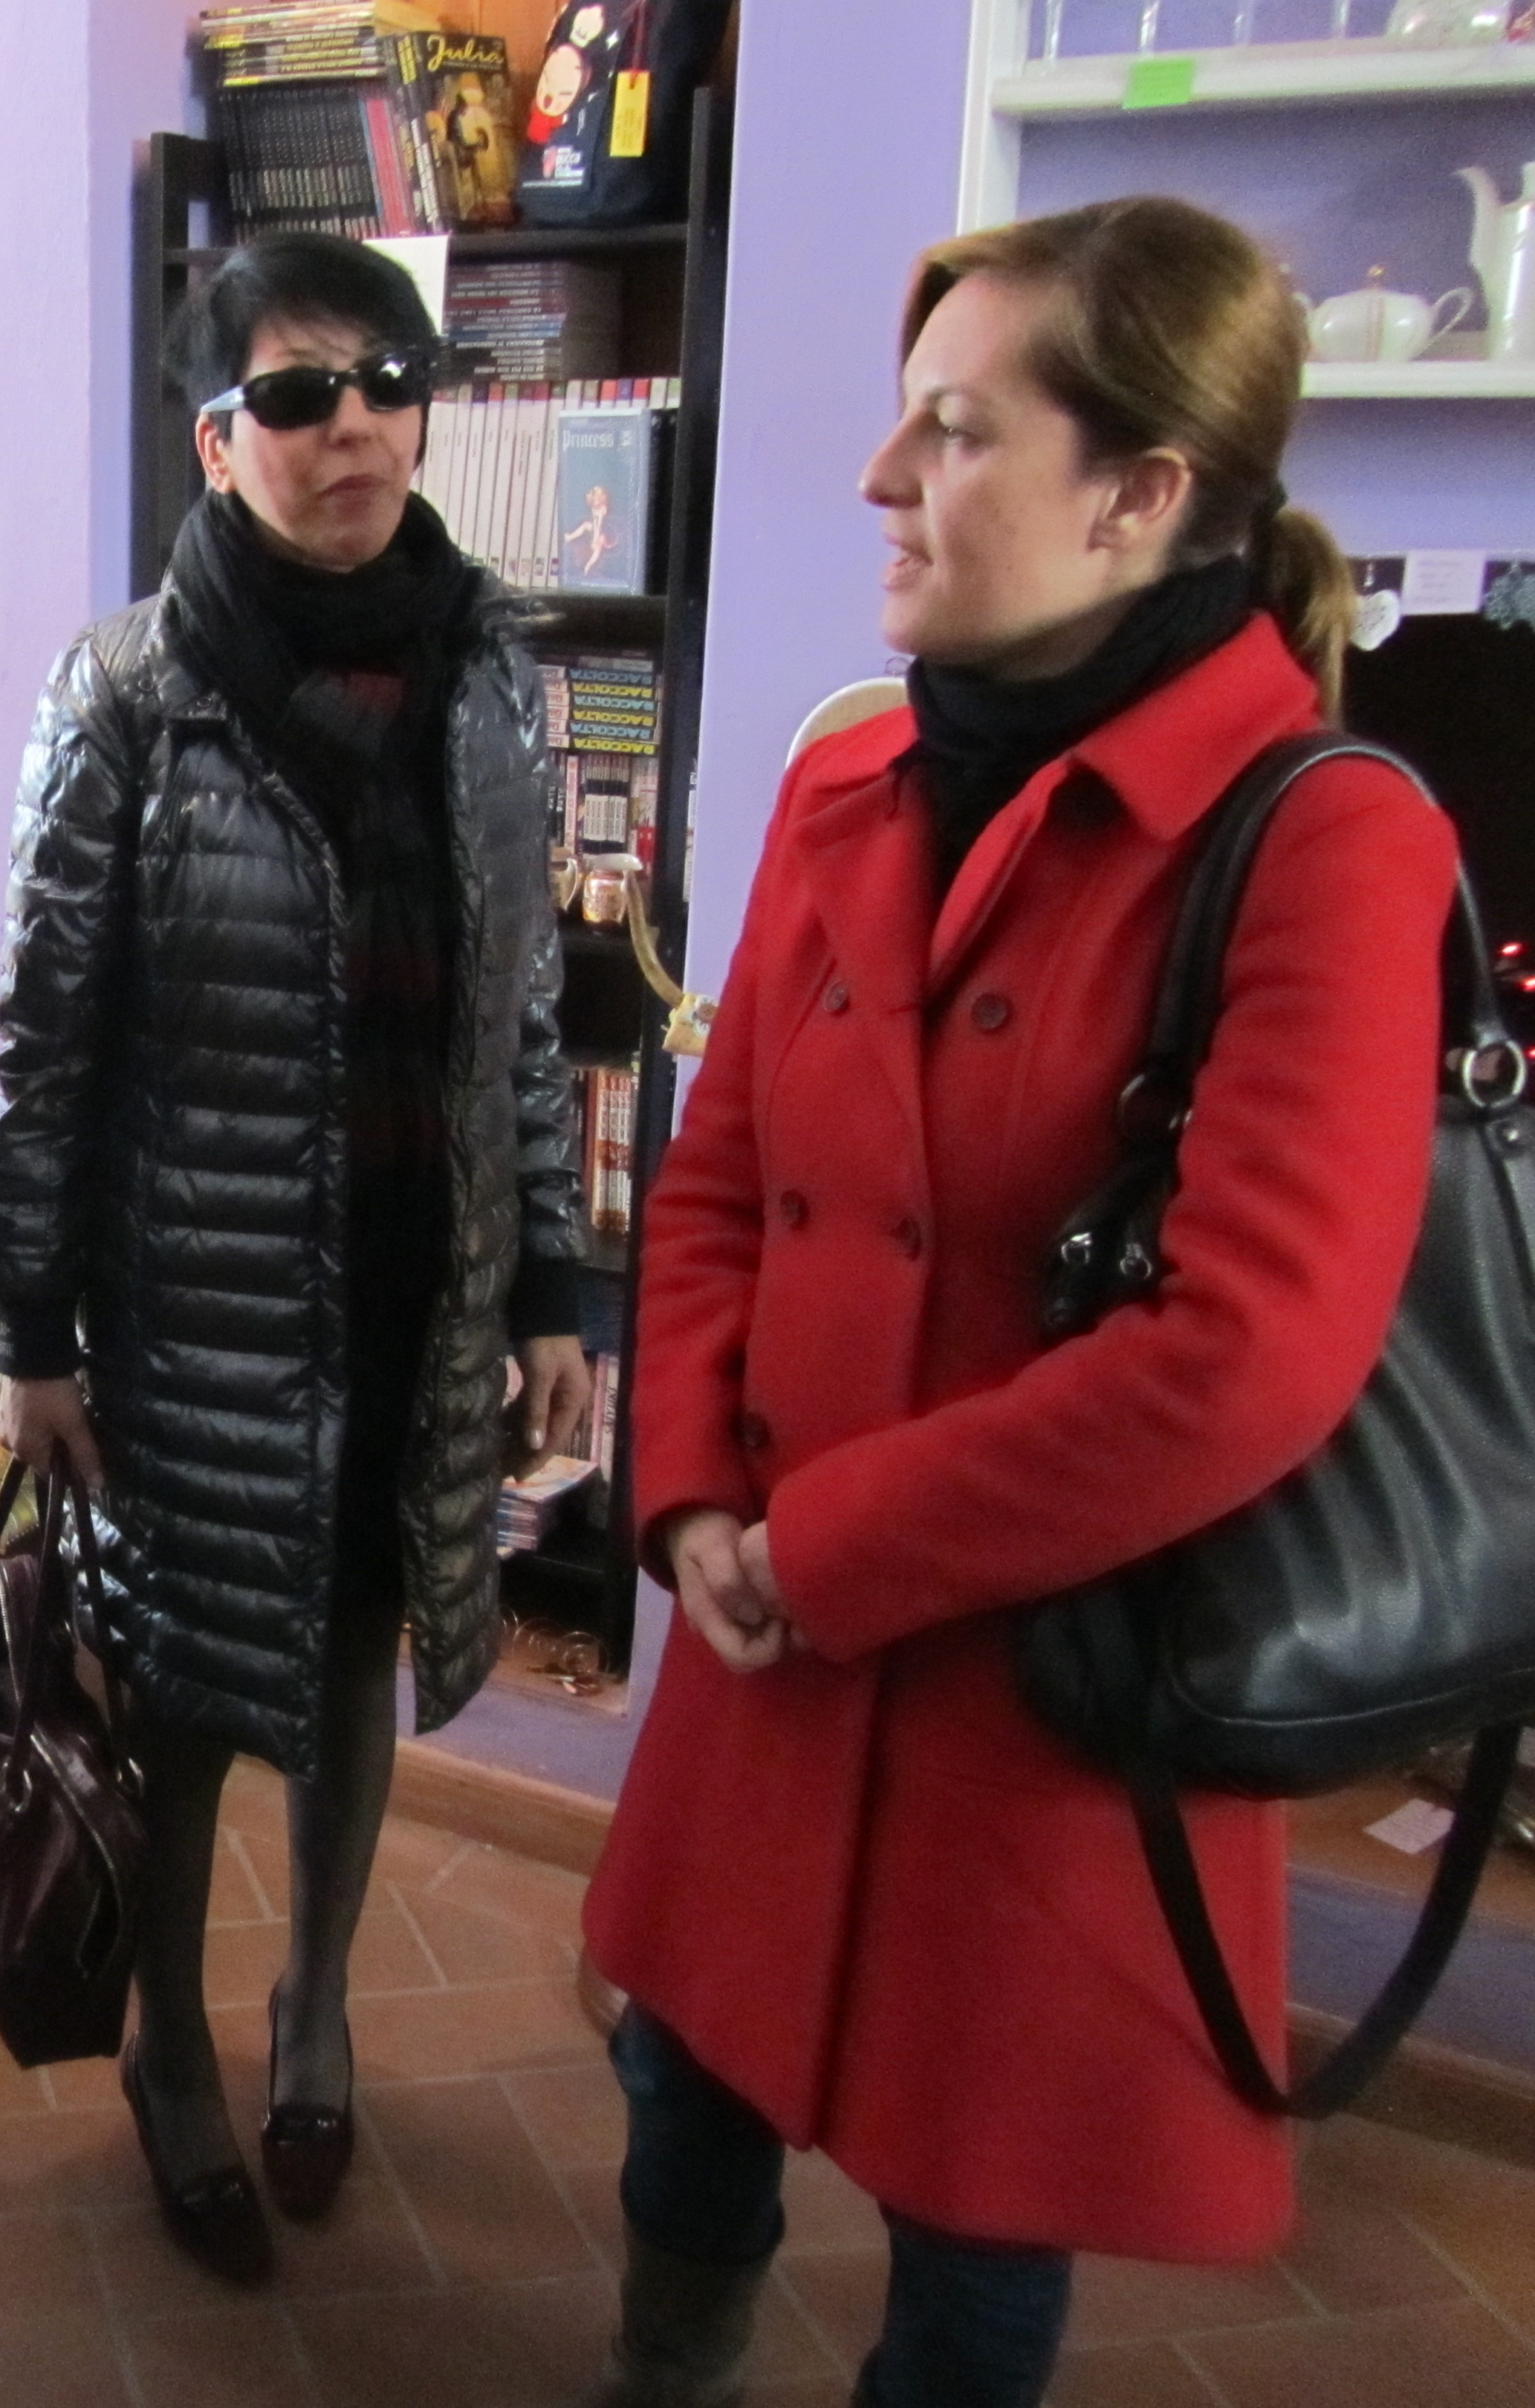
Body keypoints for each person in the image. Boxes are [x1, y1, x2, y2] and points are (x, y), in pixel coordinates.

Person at [577, 195, 1458, 2408]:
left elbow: (1243, 1355)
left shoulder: (1326, 838)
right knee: (683, 2101)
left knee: (974, 2225)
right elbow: (723, 1176)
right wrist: (691, 1501)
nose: (884, 479)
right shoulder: (849, 776)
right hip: (765, 1640)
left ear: (1142, 495)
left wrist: (831, 1549)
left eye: (956, 433)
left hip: (1042, 1699)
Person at [0, 230, 592, 2284]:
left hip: (419, 1299)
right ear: (215, 438)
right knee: (178, 1698)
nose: (353, 429)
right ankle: (169, 2049)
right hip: (200, 1319)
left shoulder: (491, 677)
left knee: (347, 1673)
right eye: (297, 395)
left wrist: (555, 1283)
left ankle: (312, 2004)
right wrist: (34, 1324)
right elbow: (48, 1045)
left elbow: (521, 1017)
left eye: (387, 384)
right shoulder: (129, 695)